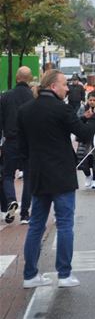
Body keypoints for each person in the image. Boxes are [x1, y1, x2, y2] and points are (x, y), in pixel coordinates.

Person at [17, 70, 95, 288]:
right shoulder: (62, 108)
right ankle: (64, 274)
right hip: (62, 174)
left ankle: (30, 275)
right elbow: (84, 134)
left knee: (36, 225)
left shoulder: (25, 110)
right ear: (53, 86)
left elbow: (23, 147)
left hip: (38, 173)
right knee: (65, 223)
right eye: (64, 84)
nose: (68, 88)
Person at [0, 67, 34, 223]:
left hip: (11, 141)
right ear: (30, 78)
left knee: (7, 175)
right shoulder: (34, 97)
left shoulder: (5, 97)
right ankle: (25, 214)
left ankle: (11, 201)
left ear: (16, 77)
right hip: (29, 142)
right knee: (28, 177)